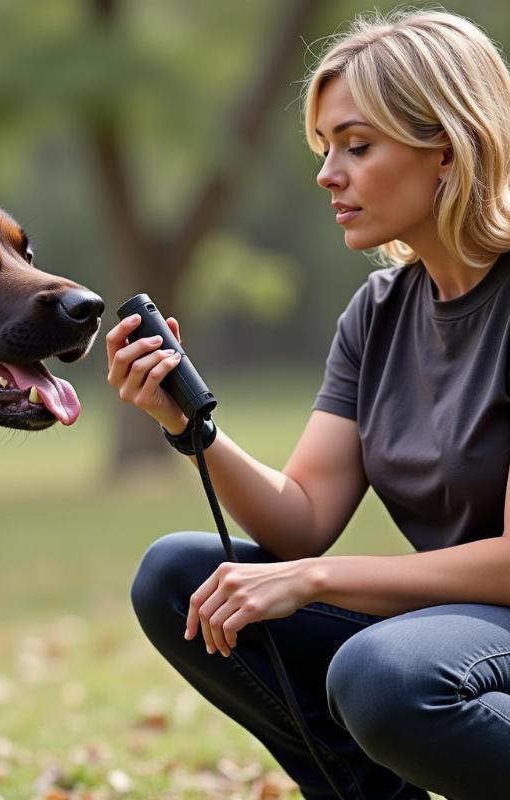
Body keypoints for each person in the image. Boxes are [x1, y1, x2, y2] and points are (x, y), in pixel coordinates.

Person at [106, 8, 510, 800]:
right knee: (180, 576)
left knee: (383, 675)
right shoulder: (380, 311)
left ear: (448, 149)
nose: (329, 174)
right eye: (326, 150)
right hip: (460, 626)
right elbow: (301, 519)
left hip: (480, 624)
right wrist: (189, 426)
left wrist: (317, 581)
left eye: (358, 146)